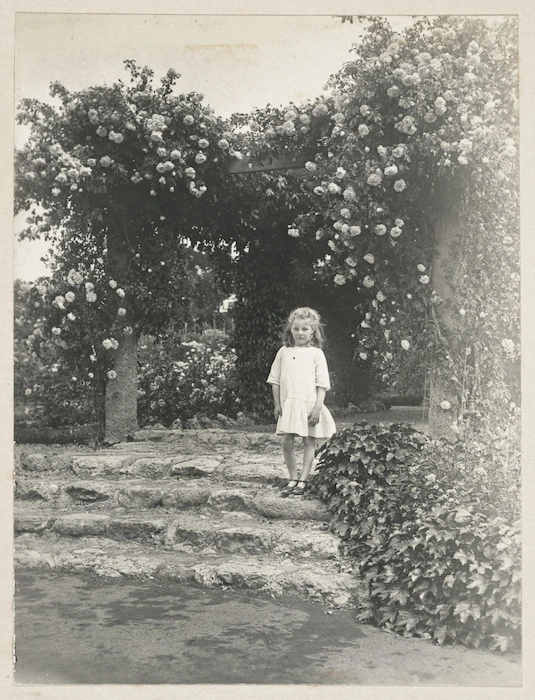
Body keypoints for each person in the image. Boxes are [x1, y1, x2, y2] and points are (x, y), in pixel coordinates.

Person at [266, 307, 336, 497]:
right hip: (289, 404)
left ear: (312, 331)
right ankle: (292, 477)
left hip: (309, 404)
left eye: (305, 329)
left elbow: (322, 384)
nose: (300, 333)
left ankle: (303, 479)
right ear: (291, 330)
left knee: (308, 440)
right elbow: (275, 380)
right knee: (287, 440)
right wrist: (277, 404)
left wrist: (317, 407)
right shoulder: (284, 351)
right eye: (296, 329)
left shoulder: (316, 354)